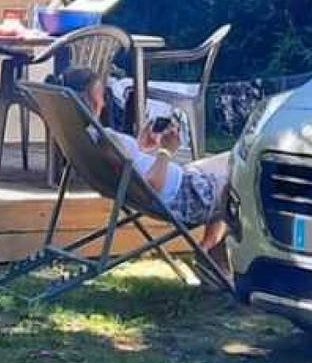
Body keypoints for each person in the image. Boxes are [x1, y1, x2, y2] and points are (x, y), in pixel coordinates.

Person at [70, 67, 231, 250]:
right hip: (189, 197)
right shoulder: (106, 142)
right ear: (90, 101)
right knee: (240, 172)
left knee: (231, 161)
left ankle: (207, 250)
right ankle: (211, 252)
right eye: (101, 97)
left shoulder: (86, 138)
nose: (104, 104)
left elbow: (129, 170)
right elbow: (151, 186)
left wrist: (141, 149)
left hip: (184, 184)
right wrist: (166, 151)